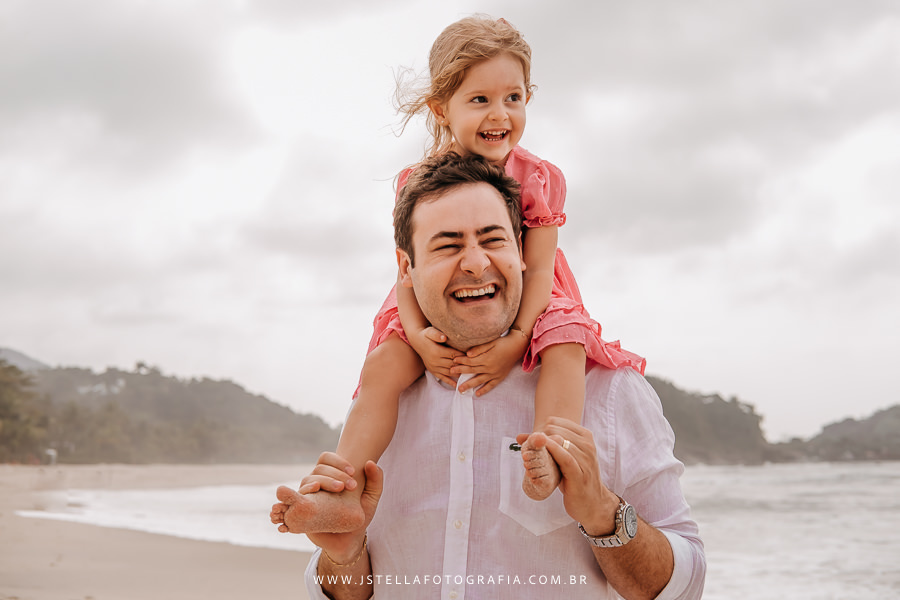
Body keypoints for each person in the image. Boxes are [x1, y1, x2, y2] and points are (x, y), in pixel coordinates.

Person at [271, 152, 706, 599]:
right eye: (448, 244)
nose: (476, 264)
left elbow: (684, 586)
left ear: (521, 251)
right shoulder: (384, 400)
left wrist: (602, 512)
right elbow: (346, 592)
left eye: (493, 240)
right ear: (406, 268)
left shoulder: (609, 392)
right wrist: (344, 557)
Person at [283, 14, 646, 535]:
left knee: (565, 344)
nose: (500, 115)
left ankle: (550, 450)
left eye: (514, 98)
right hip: (435, 293)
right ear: (441, 108)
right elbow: (407, 273)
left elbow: (540, 264)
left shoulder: (540, 178)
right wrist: (420, 340)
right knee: (385, 364)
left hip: (531, 290)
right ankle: (341, 488)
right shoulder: (418, 181)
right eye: (480, 100)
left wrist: (516, 338)